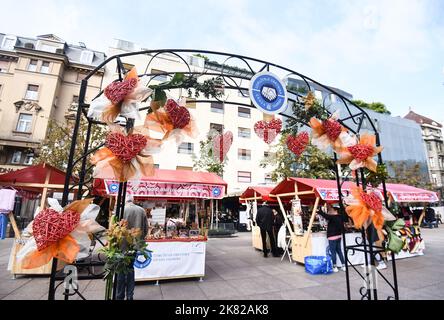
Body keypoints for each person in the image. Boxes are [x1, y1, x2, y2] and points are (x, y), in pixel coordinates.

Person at [116, 195, 148, 300]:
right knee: (130, 269)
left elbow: (114, 227)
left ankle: (120, 296)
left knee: (120, 270)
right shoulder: (141, 210)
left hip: (121, 245)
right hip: (134, 245)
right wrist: (140, 240)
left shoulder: (120, 210)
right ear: (133, 201)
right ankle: (130, 296)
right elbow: (146, 229)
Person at [318, 203, 346, 272]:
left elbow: (325, 216)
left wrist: (320, 211)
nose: (330, 211)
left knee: (333, 252)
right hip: (339, 236)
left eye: (332, 209)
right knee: (339, 251)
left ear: (335, 210)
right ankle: (343, 265)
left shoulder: (333, 217)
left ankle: (335, 266)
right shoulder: (340, 217)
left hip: (332, 236)